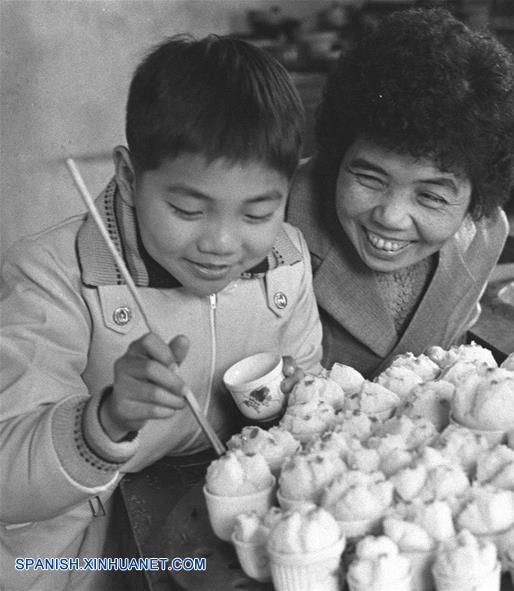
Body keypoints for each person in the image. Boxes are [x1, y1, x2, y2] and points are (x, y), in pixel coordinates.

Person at [0, 35, 322, 591]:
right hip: (74, 562)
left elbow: (307, 407)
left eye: (257, 214)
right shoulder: (53, 273)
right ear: (129, 177)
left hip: (212, 538)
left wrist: (294, 400)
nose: (222, 243)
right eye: (188, 209)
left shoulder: (286, 262)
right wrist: (104, 421)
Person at [287, 8, 514, 377]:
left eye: (431, 197)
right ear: (337, 154)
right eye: (370, 179)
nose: (391, 217)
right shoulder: (273, 215)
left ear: (474, 201)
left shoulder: (485, 235)